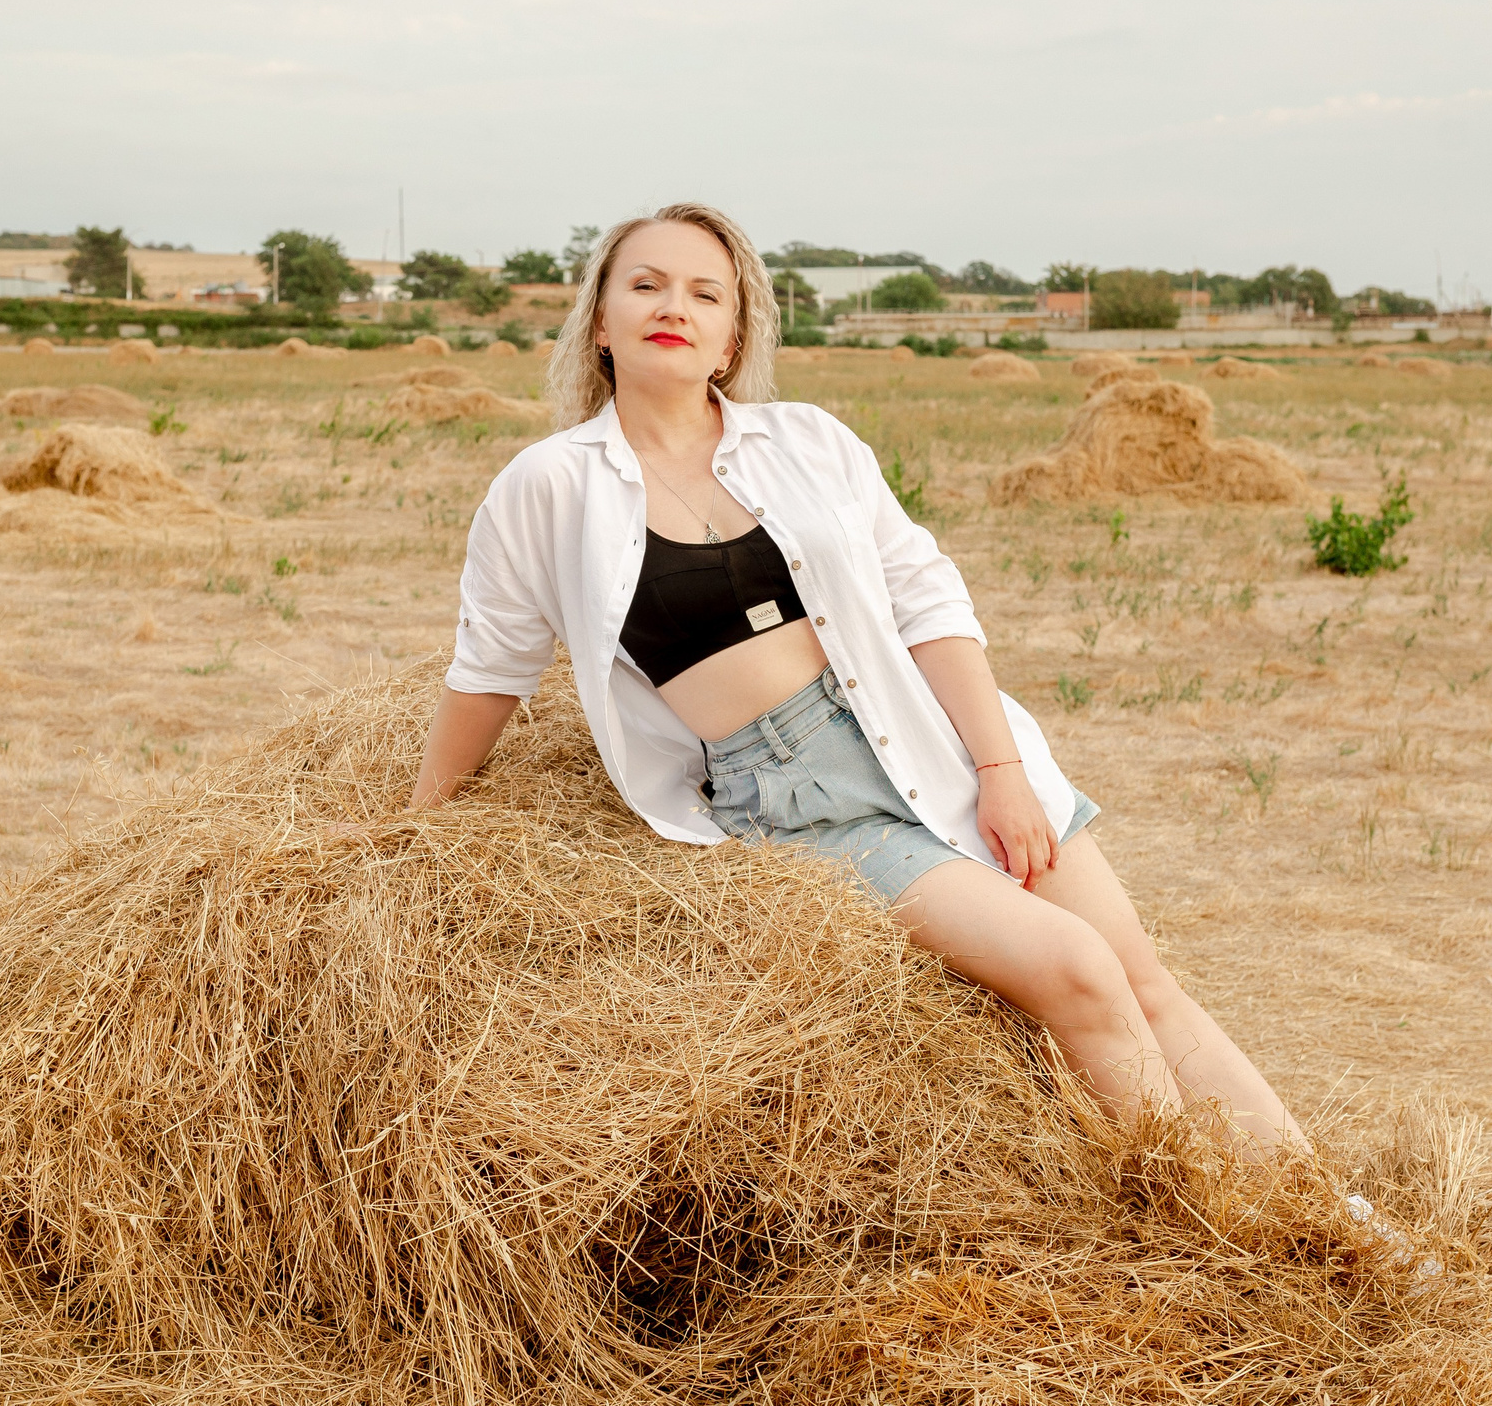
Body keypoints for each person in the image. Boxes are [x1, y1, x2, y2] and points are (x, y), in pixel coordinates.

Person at [410, 204, 1307, 1159]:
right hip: (802, 798)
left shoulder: (809, 440)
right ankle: (1218, 1226)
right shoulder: (545, 486)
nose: (674, 305)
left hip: (936, 732)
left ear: (732, 336)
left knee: (1144, 978)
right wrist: (419, 824)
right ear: (598, 322)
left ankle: (1339, 1223)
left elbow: (926, 601)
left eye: (704, 293)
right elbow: (491, 667)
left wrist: (1000, 768)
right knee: (1079, 969)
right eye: (645, 285)